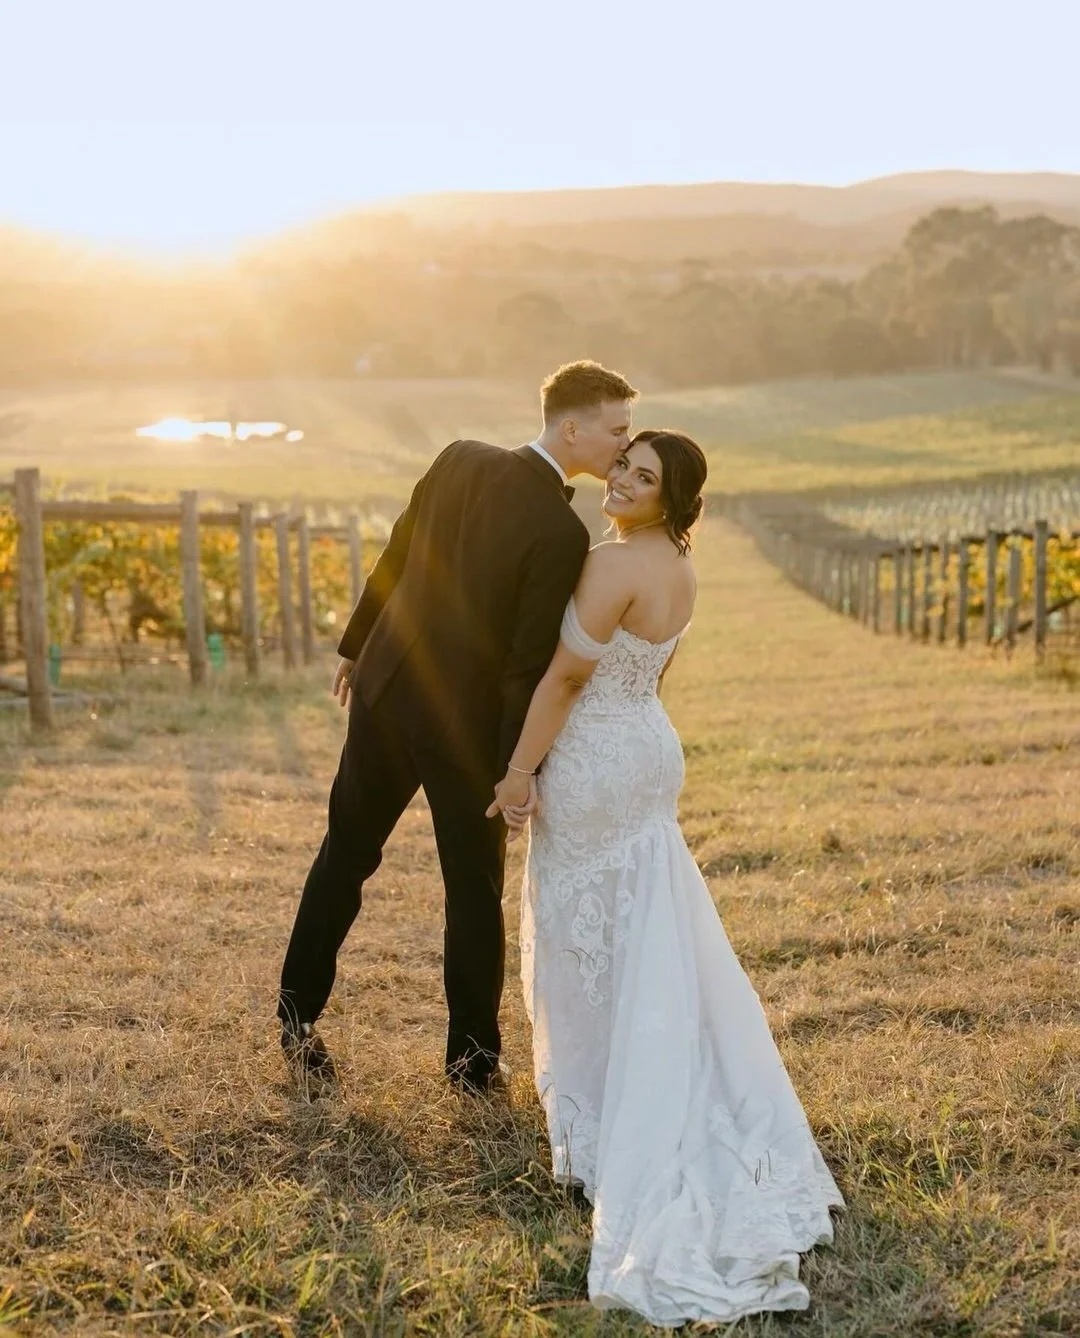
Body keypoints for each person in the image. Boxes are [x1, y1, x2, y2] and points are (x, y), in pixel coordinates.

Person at [488, 430, 844, 1325]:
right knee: (649, 925)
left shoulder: (611, 566)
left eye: (644, 478)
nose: (622, 482)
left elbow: (569, 678)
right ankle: (640, 1085)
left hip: (596, 759)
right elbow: (652, 674)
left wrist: (521, 770)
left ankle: (610, 1117)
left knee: (586, 933)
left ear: (670, 497)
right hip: (648, 749)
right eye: (623, 465)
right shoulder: (678, 569)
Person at [276, 361, 638, 1095]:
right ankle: (472, 1066)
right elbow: (524, 662)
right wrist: (517, 768)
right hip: (464, 731)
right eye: (617, 431)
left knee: (344, 854)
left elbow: (398, 551)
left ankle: (295, 1016)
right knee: (472, 893)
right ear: (571, 429)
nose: (623, 450)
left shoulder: (458, 457)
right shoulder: (561, 532)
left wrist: (357, 644)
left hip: (385, 688)